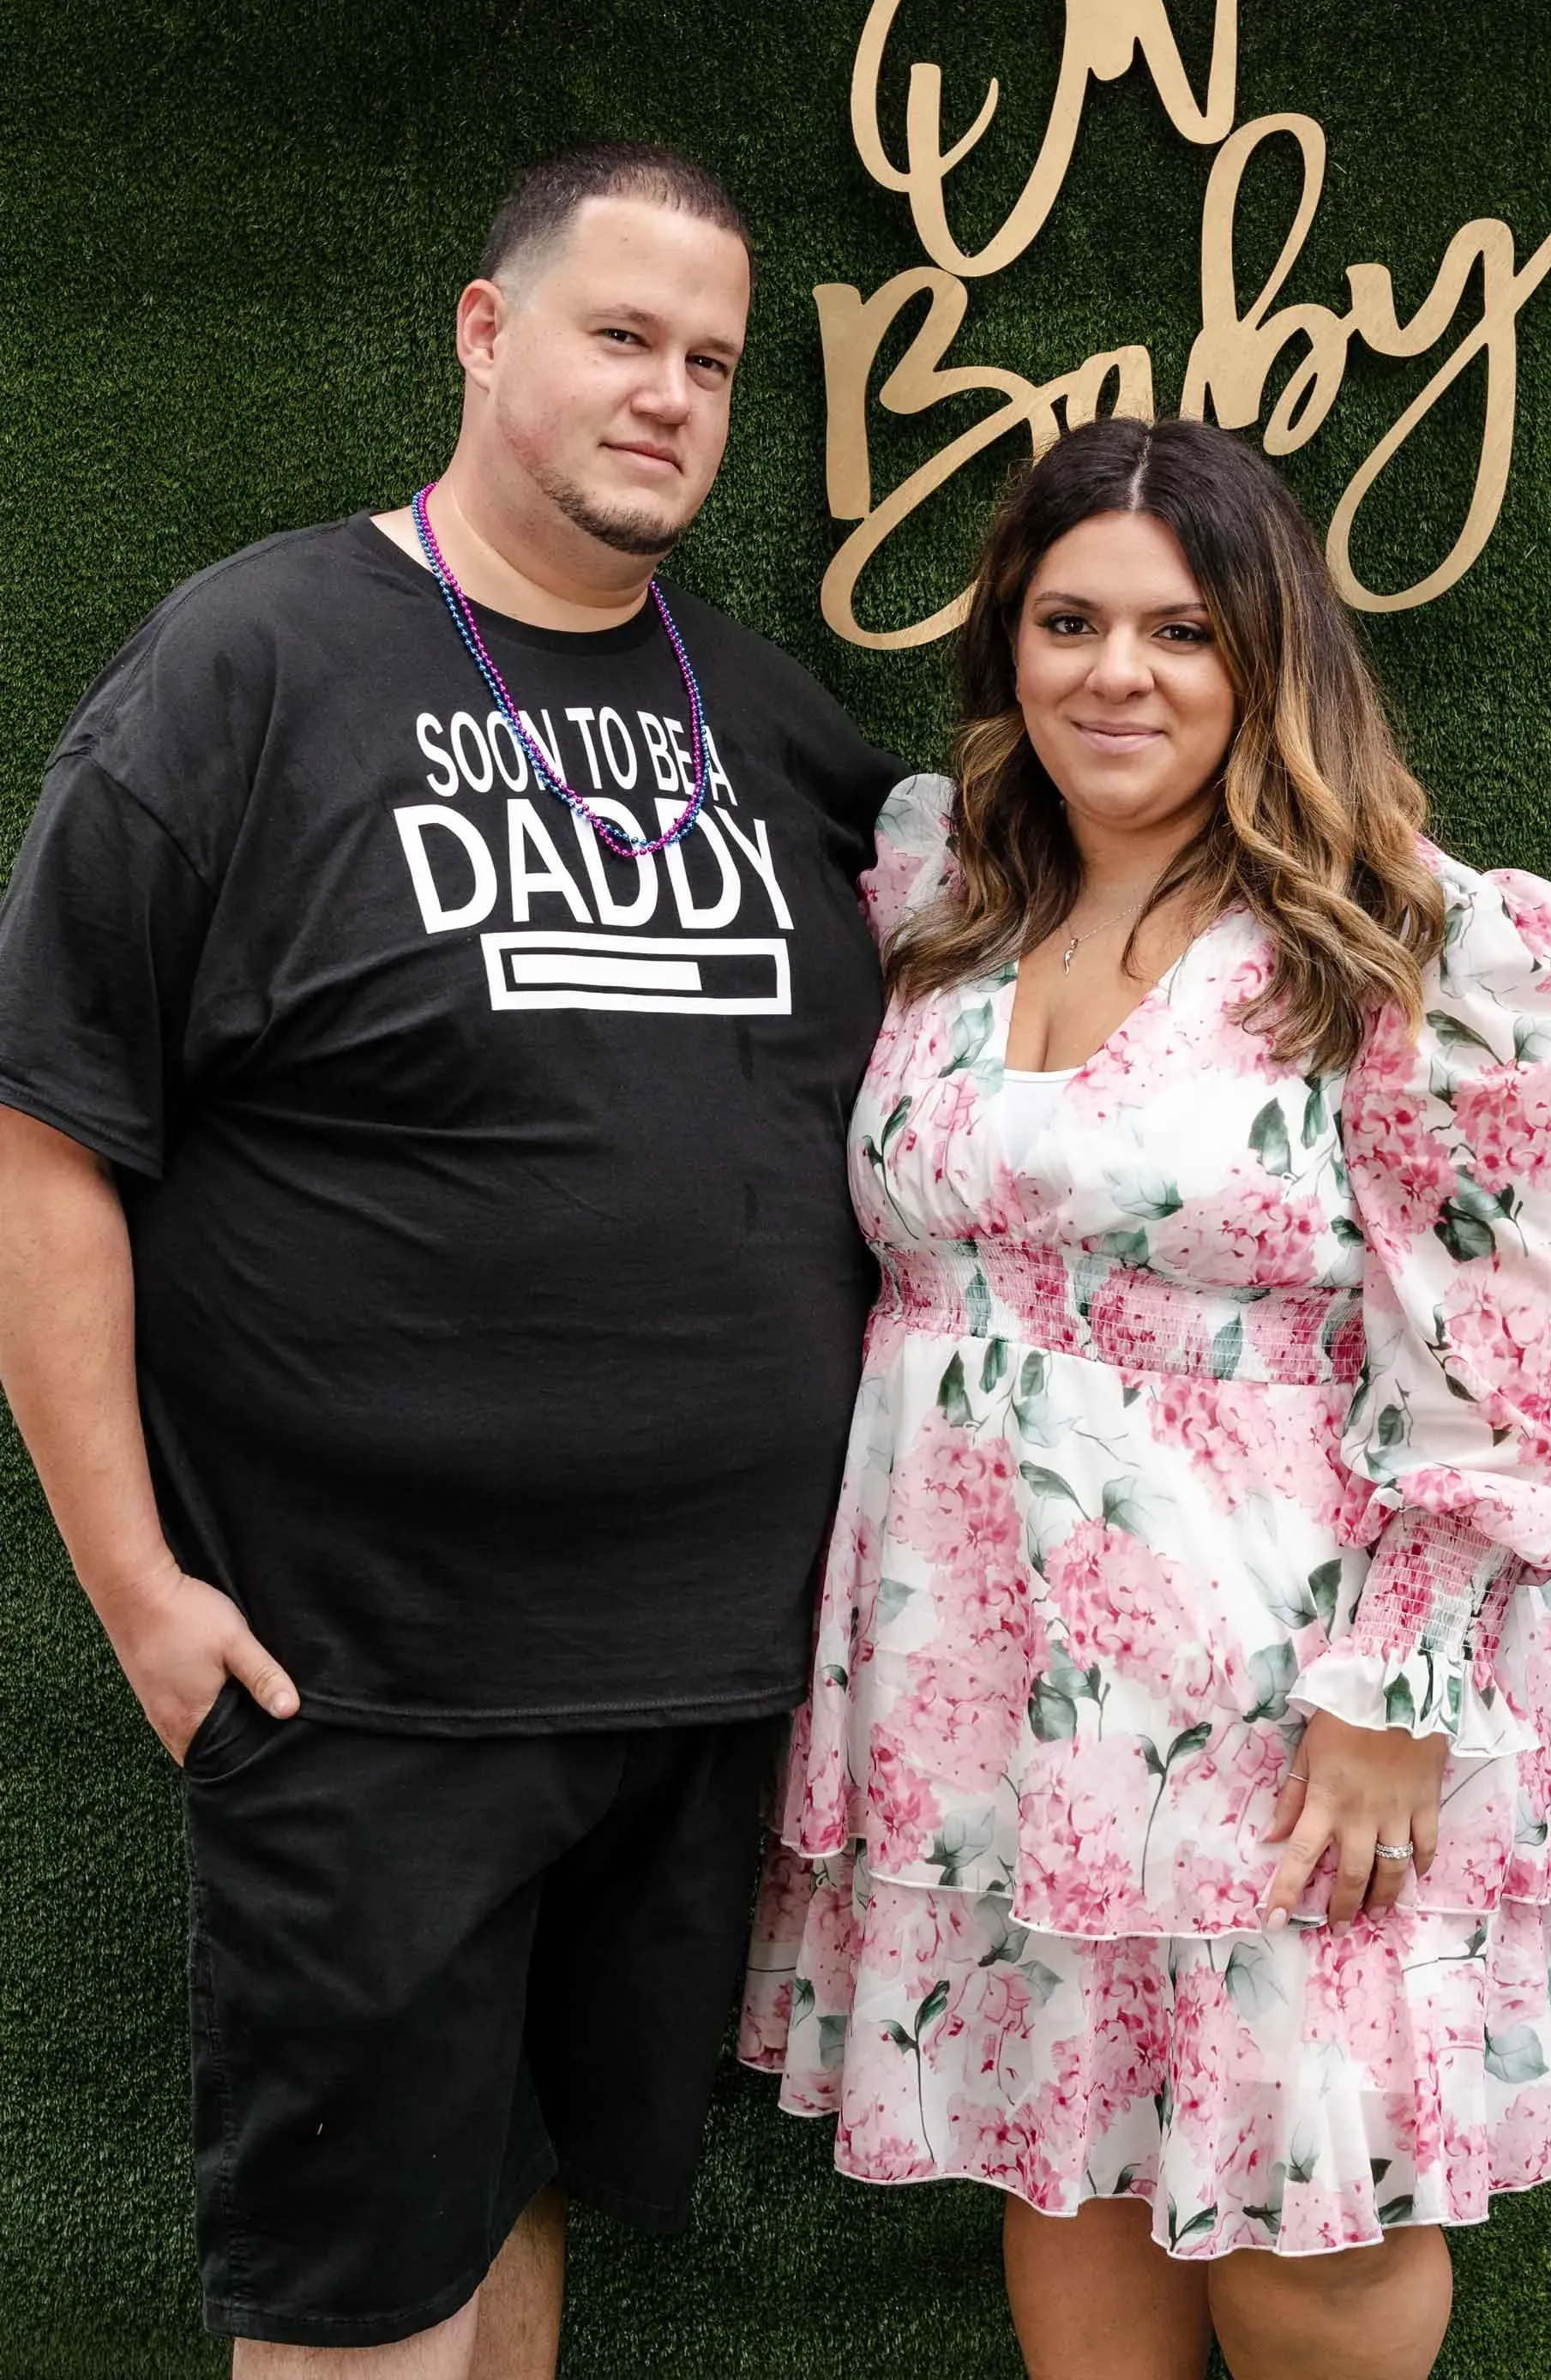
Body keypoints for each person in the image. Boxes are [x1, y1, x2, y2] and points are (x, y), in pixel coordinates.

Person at [0, 143, 900, 2376]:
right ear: (485, 332)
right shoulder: (250, 664)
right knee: (352, 2298)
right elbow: (42, 1135)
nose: (671, 395)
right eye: (621, 334)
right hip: (366, 1680)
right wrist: (140, 1591)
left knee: (512, 2208)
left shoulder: (769, 722)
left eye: (708, 360)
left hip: (696, 1686)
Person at [741, 414, 1551, 2380]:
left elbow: (1514, 1369)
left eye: (1180, 631)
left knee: (1304, 2214)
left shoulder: (1412, 942)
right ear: (1004, 646)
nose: (1113, 672)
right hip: (986, 1690)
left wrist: (1394, 1697)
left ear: (1265, 655)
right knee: (1076, 2170)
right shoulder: (936, 893)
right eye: (1065, 620)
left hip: (1283, 1695)